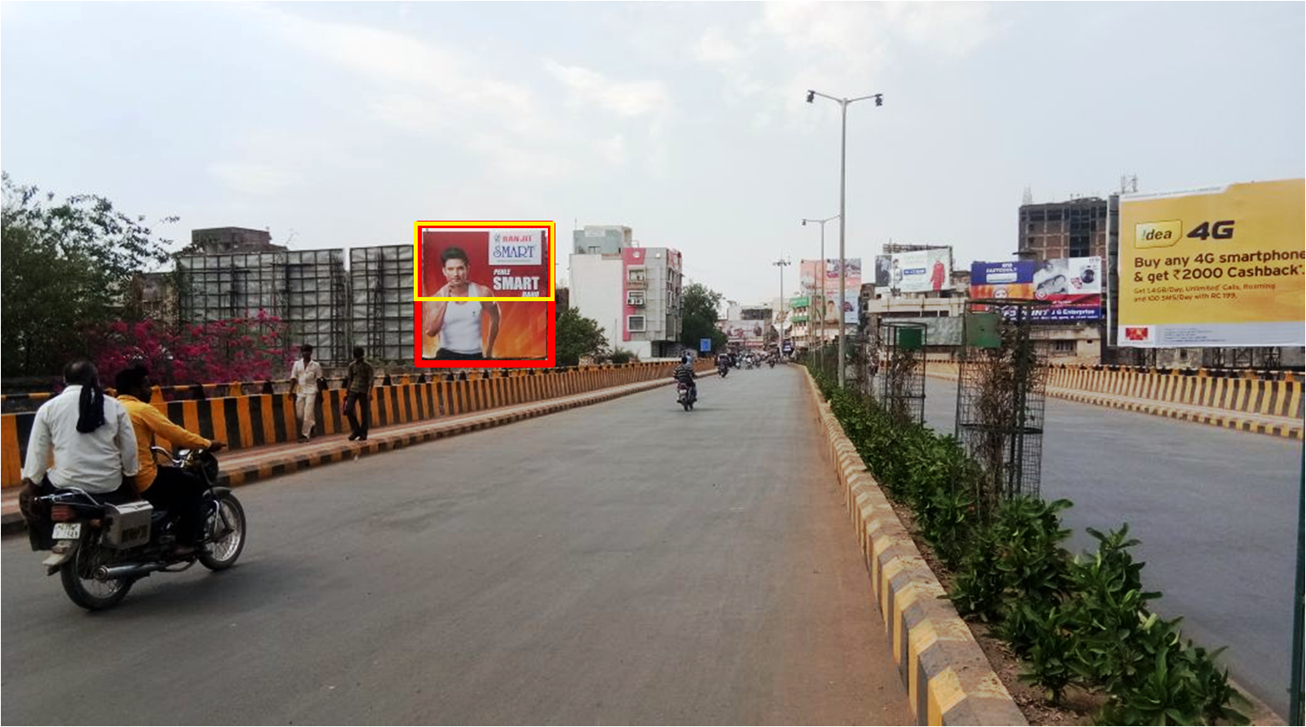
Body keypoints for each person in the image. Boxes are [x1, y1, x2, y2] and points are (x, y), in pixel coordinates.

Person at [20, 361, 141, 550]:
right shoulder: (114, 406)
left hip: (63, 487)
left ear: (65, 380)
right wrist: (130, 475)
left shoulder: (49, 408)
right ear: (96, 379)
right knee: (136, 503)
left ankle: (46, 541)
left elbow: (37, 453)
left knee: (26, 499)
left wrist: (32, 486)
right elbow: (129, 448)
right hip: (109, 486)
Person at [114, 364, 224, 555]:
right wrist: (206, 444)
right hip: (142, 478)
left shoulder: (110, 408)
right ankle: (185, 542)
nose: (150, 391)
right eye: (146, 386)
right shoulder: (141, 409)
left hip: (116, 478)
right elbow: (175, 434)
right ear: (134, 390)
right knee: (193, 486)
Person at [424, 246, 501, 360]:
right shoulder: (436, 298)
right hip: (446, 354)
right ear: (444, 271)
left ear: (467, 269)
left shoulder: (482, 292)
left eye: (460, 268)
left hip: (475, 355)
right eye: (450, 269)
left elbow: (496, 317)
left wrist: (489, 350)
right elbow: (431, 332)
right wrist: (445, 303)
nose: (456, 274)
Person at [289, 344, 323, 442]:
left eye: (307, 351)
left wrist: (320, 394)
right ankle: (311, 424)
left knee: (308, 412)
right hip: (300, 391)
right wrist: (290, 391)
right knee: (299, 414)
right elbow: (293, 378)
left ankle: (305, 435)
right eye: (304, 351)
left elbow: (319, 380)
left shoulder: (316, 365)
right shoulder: (297, 364)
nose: (305, 353)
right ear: (302, 352)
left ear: (311, 352)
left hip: (312, 391)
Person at [342, 346, 374, 441]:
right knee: (348, 410)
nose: (357, 358)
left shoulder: (368, 366)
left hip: (364, 391)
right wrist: (347, 392)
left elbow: (371, 380)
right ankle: (356, 430)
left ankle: (363, 433)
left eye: (359, 356)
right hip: (353, 390)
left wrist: (369, 392)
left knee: (364, 413)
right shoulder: (351, 366)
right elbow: (350, 379)